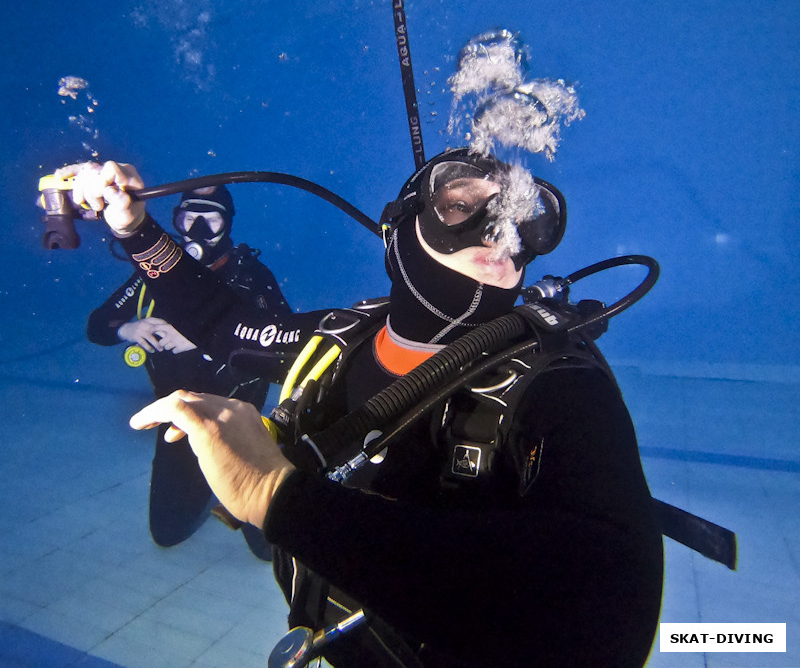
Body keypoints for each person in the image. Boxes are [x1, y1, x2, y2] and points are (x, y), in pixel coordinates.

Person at [61, 152, 664, 668]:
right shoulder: (340, 339)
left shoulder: (558, 383)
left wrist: (275, 495)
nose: (495, 229)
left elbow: (611, 626)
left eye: (519, 214)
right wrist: (134, 227)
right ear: (398, 228)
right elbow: (222, 322)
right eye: (461, 205)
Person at [87, 185, 293, 557]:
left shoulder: (251, 275)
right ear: (175, 222)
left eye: (210, 220)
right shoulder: (153, 271)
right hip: (179, 423)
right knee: (167, 533)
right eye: (188, 219)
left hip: (241, 420)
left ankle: (249, 485)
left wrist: (205, 339)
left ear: (227, 225)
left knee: (269, 551)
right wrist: (128, 328)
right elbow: (97, 324)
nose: (197, 231)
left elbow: (283, 342)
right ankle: (206, 484)